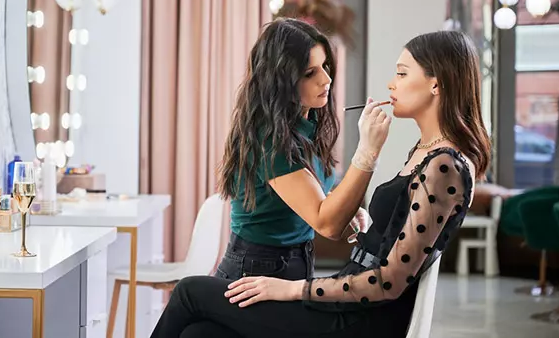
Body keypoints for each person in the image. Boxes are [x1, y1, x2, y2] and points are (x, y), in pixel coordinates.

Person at [152, 30, 491, 338]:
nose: (391, 84)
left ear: (437, 84)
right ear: (284, 81)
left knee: (188, 294)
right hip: (326, 290)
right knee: (198, 334)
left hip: (357, 312)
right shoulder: (425, 153)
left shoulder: (443, 164)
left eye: (402, 74)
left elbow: (388, 278)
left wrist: (294, 288)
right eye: (311, 72)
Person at [215, 18, 390, 282]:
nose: (327, 79)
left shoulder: (308, 121)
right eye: (310, 74)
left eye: (325, 67)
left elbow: (308, 190)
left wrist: (346, 206)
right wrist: (367, 151)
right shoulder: (269, 141)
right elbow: (327, 224)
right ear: (281, 82)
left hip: (294, 260)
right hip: (255, 270)